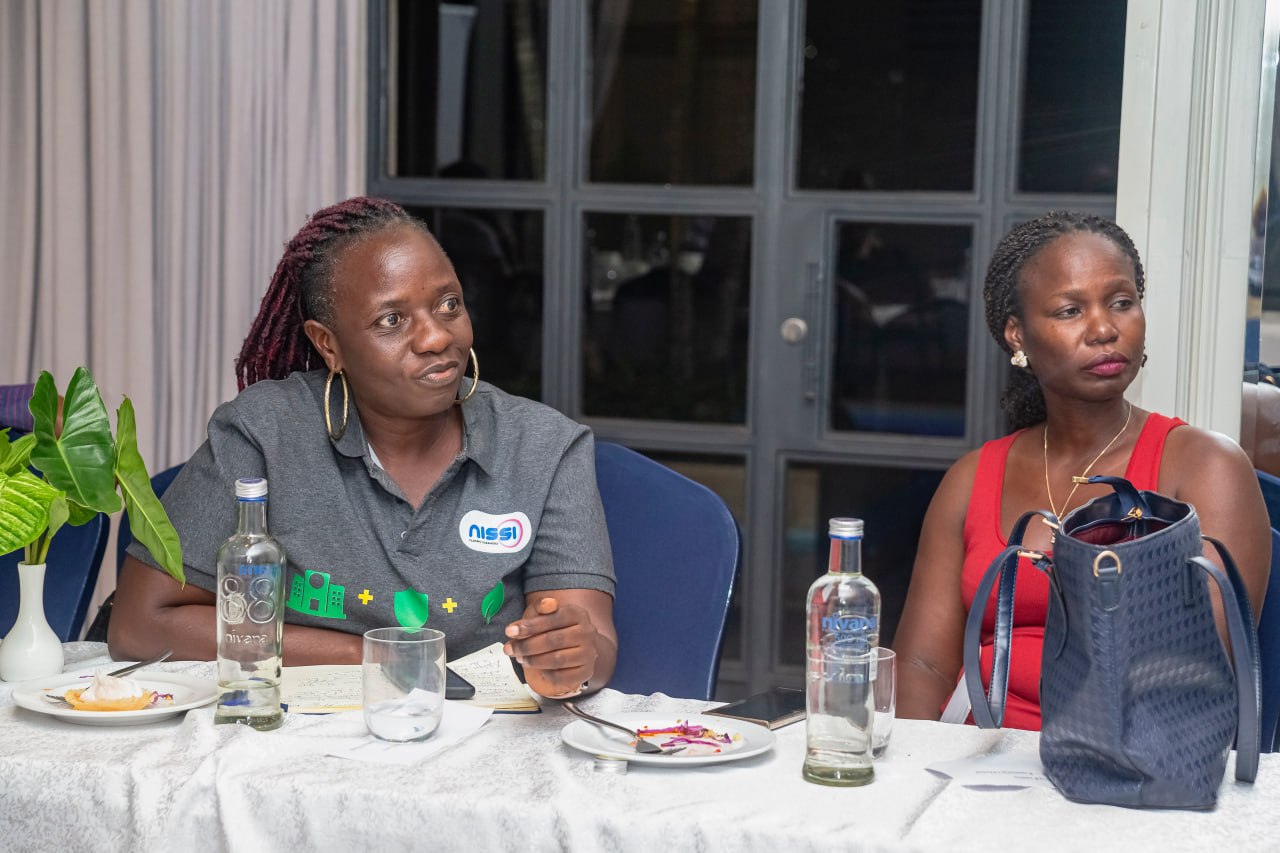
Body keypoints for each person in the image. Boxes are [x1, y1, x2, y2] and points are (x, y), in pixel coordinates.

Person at [109, 197, 617, 699]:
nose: (436, 337)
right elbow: (139, 625)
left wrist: (568, 660)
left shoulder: (545, 447)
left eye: (449, 304)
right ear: (328, 344)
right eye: (392, 320)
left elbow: (593, 647)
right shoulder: (264, 432)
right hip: (292, 733)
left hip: (479, 733)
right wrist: (375, 657)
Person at [893, 211, 1271, 730]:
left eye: (1122, 302)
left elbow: (1198, 672)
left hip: (1126, 763)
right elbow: (922, 666)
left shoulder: (1205, 466)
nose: (1104, 329)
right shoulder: (972, 477)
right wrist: (915, 765)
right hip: (973, 755)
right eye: (1070, 310)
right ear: (1017, 335)